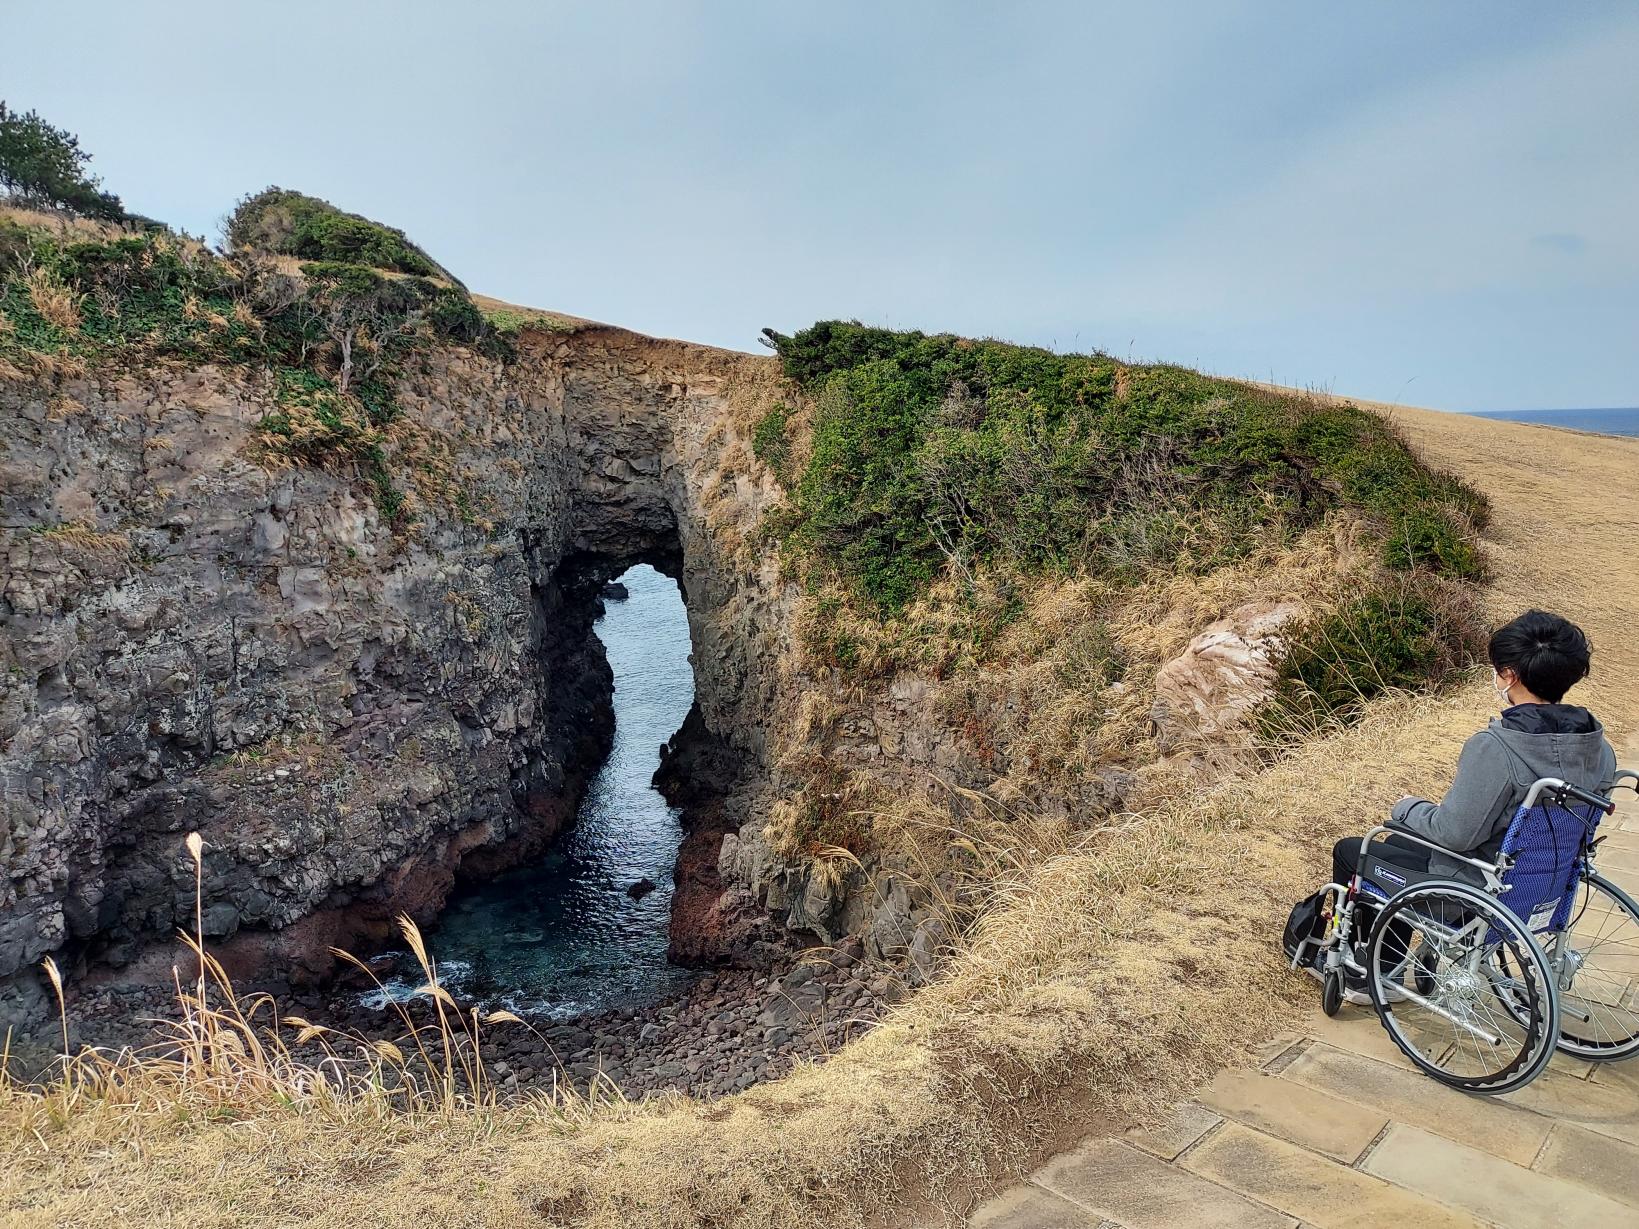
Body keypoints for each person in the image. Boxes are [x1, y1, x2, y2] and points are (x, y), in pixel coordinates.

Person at [1320, 609, 1617, 999]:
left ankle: (1373, 973)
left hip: (1479, 887)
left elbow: (1454, 834)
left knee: (1354, 851)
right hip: (1544, 884)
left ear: (1509, 675)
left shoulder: (1497, 747)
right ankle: (1401, 955)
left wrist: (1406, 807)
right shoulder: (1599, 749)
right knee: (1396, 846)